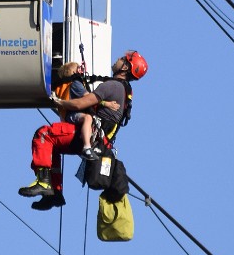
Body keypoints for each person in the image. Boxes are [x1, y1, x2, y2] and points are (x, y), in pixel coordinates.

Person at [20, 51, 149, 210]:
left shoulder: (112, 86)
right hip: (97, 140)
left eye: (122, 59)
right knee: (51, 147)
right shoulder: (124, 90)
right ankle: (54, 193)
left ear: (125, 67)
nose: (118, 59)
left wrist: (59, 102)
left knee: (44, 134)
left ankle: (44, 182)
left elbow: (80, 104)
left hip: (88, 134)